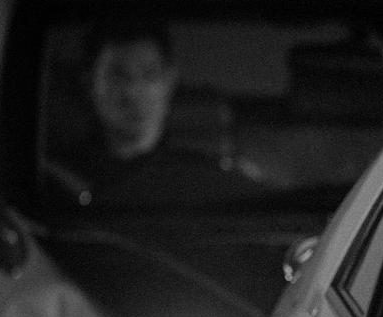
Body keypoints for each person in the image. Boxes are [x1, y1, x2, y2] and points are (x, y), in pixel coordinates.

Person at [44, 18, 261, 210]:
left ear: (170, 81)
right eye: (118, 75)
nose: (133, 93)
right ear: (90, 83)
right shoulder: (56, 178)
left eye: (149, 75)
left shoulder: (204, 178)